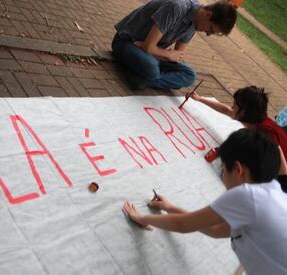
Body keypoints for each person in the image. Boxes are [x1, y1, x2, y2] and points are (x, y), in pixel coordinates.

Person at [123, 128, 287, 275]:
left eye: (222, 169)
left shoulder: (249, 196)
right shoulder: (274, 193)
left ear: (238, 170)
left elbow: (183, 225)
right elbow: (215, 229)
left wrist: (141, 218)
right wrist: (169, 207)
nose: (222, 176)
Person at [112, 0, 237, 91]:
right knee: (151, 66)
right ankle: (145, 75)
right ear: (208, 15)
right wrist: (165, 53)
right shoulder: (176, 7)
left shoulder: (194, 23)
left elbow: (177, 56)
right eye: (210, 29)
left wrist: (161, 53)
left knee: (189, 75)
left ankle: (143, 77)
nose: (208, 34)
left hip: (148, 52)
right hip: (126, 43)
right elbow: (149, 47)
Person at [188, 85, 287, 191]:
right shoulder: (254, 118)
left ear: (243, 112)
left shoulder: (265, 131)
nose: (231, 107)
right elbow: (225, 110)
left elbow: (283, 170)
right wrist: (200, 99)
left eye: (234, 106)